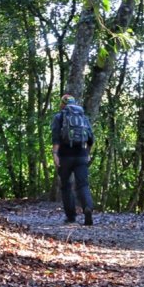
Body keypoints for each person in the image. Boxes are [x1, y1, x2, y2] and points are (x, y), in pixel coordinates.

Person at [51, 95, 95, 225]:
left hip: (65, 156)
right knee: (83, 184)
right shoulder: (83, 118)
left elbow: (56, 138)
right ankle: (87, 207)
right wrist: (87, 153)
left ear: (62, 104)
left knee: (66, 186)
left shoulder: (59, 117)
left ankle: (71, 217)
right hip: (81, 155)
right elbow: (91, 139)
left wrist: (55, 154)